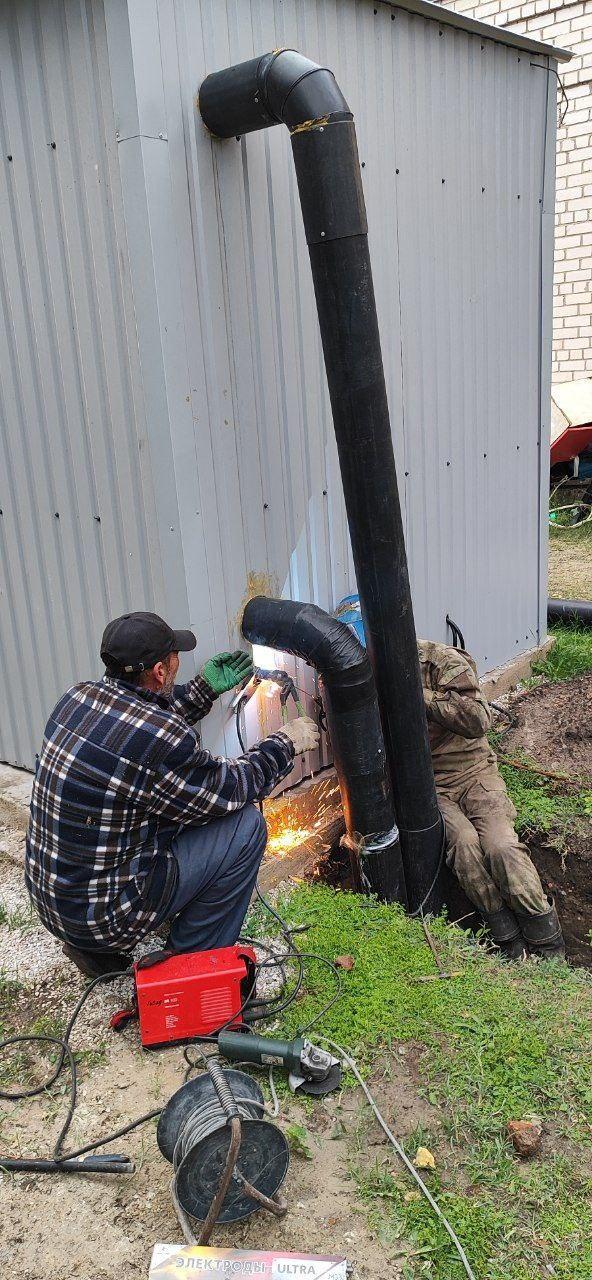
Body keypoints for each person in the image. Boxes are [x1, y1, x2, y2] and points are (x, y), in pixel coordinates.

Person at [25, 611, 319, 976]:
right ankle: (188, 966)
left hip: (57, 904)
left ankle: (94, 950)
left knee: (167, 810)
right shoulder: (160, 739)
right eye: (174, 657)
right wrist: (283, 744)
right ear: (160, 672)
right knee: (245, 827)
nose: (179, 662)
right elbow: (230, 787)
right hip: (104, 918)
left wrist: (202, 690)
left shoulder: (77, 698)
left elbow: (136, 727)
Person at [419, 639, 564, 960]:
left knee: (501, 847)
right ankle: (506, 937)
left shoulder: (439, 660)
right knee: (465, 847)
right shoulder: (364, 679)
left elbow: (477, 720)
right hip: (431, 786)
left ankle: (546, 941)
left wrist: (420, 695)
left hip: (474, 772)